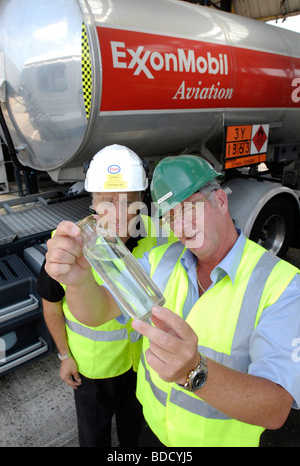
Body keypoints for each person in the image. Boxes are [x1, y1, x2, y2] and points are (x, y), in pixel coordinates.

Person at [44, 154, 300, 447]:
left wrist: (195, 373)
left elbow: (276, 408)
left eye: (189, 208)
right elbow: (98, 311)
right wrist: (78, 281)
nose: (182, 226)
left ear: (219, 200)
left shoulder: (282, 286)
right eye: (171, 216)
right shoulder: (160, 261)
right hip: (152, 432)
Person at [38, 144, 175, 447]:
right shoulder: (67, 248)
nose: (118, 212)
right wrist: (64, 356)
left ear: (141, 200)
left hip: (140, 367)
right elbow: (51, 305)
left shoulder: (160, 234)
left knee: (133, 436)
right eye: (107, 200)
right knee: (94, 439)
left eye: (128, 201)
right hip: (92, 373)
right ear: (93, 201)